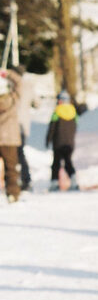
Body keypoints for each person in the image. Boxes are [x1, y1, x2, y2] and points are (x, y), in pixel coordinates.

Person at [45, 90, 79, 191]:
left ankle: (54, 183)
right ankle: (74, 181)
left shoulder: (57, 112)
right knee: (68, 162)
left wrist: (48, 140)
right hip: (69, 143)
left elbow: (52, 128)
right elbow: (75, 128)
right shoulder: (73, 113)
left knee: (56, 163)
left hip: (58, 143)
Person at [0, 69, 22, 202]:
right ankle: (12, 193)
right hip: (10, 140)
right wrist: (7, 73)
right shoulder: (13, 100)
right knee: (11, 169)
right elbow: (20, 83)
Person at [13, 66, 33, 192]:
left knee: (13, 155)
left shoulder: (13, 86)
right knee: (20, 154)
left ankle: (20, 180)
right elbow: (37, 103)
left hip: (13, 126)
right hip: (23, 126)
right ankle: (25, 180)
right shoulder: (29, 86)